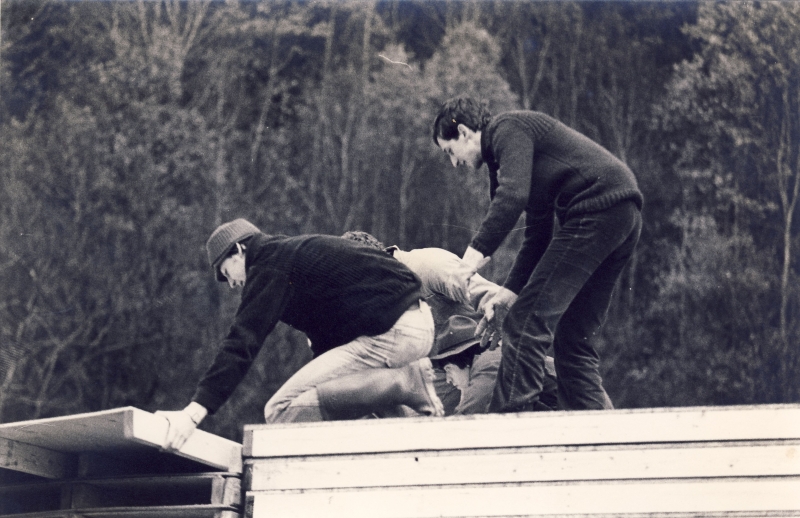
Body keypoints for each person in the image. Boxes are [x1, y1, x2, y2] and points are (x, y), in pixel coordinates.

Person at [158, 219, 455, 451]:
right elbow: (329, 347)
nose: (233, 284)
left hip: (394, 330)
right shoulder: (293, 259)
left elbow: (242, 342)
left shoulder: (267, 263)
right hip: (412, 323)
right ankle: (411, 434)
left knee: (280, 411)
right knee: (336, 394)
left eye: (227, 273)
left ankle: (404, 383)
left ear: (239, 250)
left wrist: (194, 412)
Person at [432, 97, 643, 413]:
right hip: (623, 214)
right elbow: (537, 236)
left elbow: (512, 197)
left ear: (463, 132)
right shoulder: (509, 161)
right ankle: (598, 430)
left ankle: (511, 426)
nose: (453, 163)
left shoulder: (506, 128)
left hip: (595, 211)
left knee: (524, 324)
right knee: (572, 339)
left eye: (450, 151)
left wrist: (470, 261)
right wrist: (506, 295)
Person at [341, 231, 558, 416]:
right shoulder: (374, 296)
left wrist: (513, 350)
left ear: (374, 261)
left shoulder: (428, 265)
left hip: (484, 355)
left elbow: (494, 301)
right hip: (445, 370)